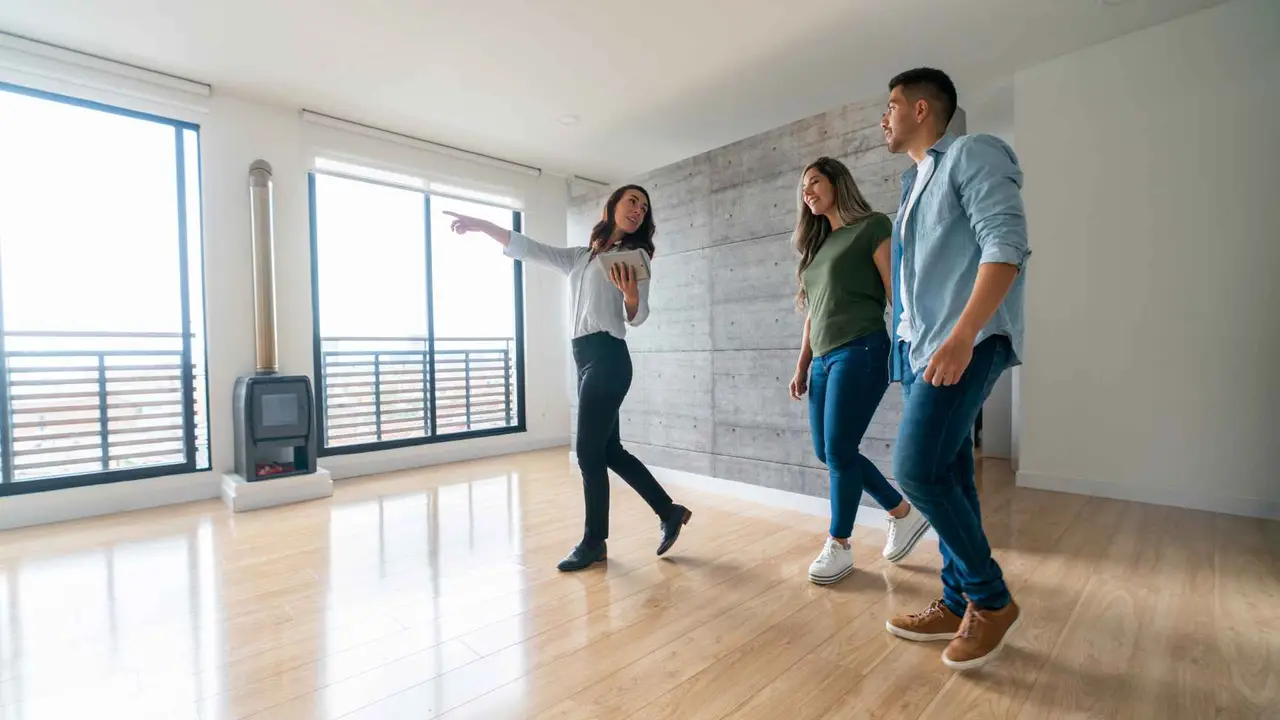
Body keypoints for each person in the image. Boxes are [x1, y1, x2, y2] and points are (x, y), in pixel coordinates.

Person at [444, 186, 692, 572]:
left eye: (644, 208)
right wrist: (483, 225)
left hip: (609, 358)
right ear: (613, 206)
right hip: (585, 359)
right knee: (609, 451)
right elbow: (530, 248)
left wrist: (629, 296)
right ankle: (669, 511)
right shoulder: (580, 257)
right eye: (632, 202)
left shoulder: (635, 256)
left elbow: (639, 315)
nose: (639, 210)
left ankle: (594, 542)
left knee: (588, 453)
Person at [878, 67, 1031, 670]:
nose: (884, 119)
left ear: (920, 109)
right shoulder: (912, 185)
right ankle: (955, 599)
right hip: (923, 351)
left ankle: (991, 600)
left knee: (914, 470)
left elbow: (1005, 245)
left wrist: (963, 335)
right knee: (951, 474)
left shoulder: (971, 153)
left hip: (966, 341)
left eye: (891, 106)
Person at [787, 157, 931, 585]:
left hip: (861, 348)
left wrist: (910, 346)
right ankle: (901, 512)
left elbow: (895, 291)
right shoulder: (817, 248)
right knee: (830, 452)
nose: (807, 191)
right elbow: (814, 312)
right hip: (823, 359)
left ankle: (840, 543)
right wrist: (802, 364)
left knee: (838, 450)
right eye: (803, 187)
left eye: (814, 181)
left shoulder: (872, 226)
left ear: (837, 182)